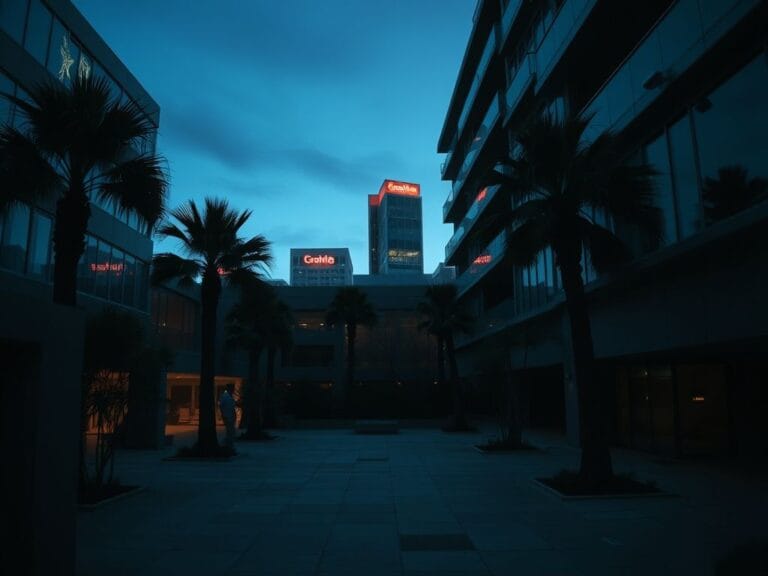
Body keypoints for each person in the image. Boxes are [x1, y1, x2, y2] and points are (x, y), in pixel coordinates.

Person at [219, 383, 237, 449]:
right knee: (230, 431)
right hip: (228, 416)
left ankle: (229, 444)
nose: (233, 390)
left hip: (230, 416)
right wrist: (224, 415)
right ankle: (227, 444)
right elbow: (221, 406)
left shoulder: (229, 396)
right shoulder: (225, 396)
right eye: (232, 388)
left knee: (231, 431)